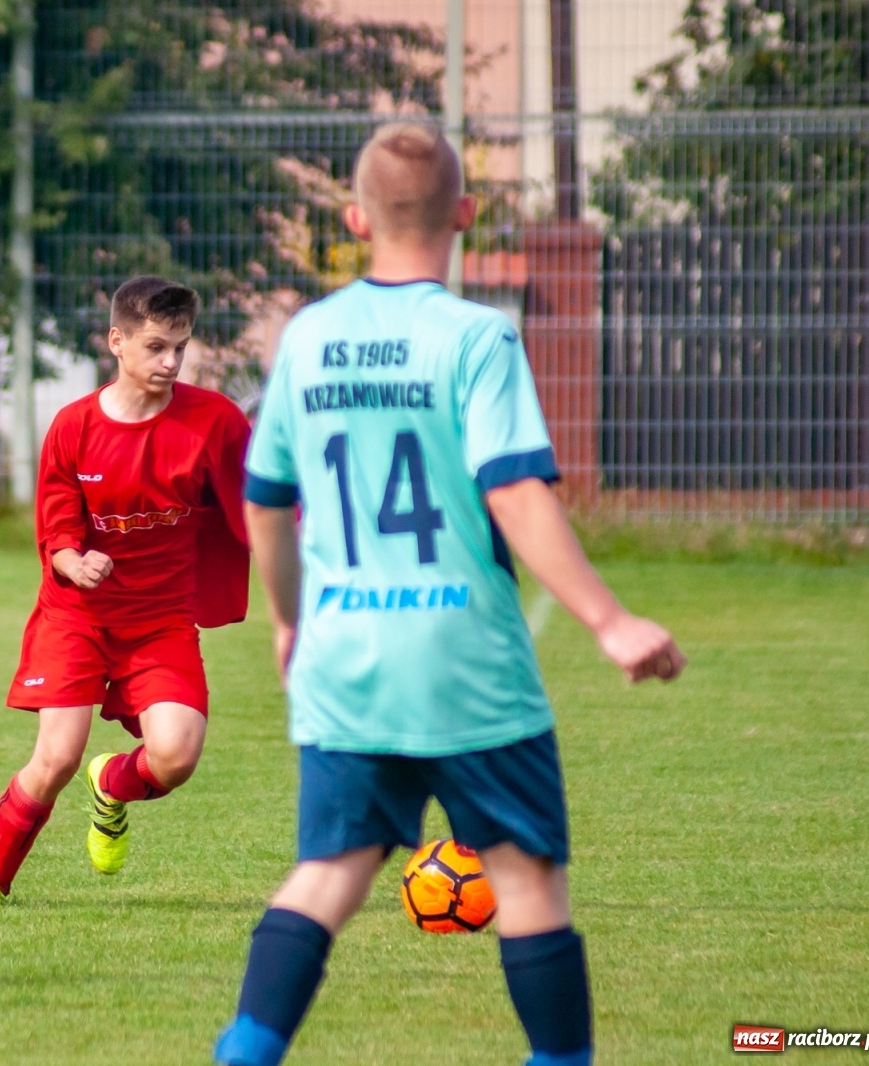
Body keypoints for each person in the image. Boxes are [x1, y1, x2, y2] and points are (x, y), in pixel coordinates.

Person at [212, 124, 687, 1066]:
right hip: (466, 659)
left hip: (345, 657)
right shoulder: (477, 337)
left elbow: (265, 500)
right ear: (466, 216)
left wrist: (288, 620)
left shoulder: (306, 337)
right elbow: (515, 492)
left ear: (354, 219)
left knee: (328, 874)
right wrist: (609, 617)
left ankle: (245, 1054)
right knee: (526, 882)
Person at [0, 276, 251, 910]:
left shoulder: (215, 422)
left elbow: (259, 506)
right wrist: (71, 559)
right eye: (155, 347)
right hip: (78, 617)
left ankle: (113, 786)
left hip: (162, 622)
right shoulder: (74, 426)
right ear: (116, 342)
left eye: (180, 347)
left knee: (174, 756)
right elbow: (56, 524)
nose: (170, 362)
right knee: (57, 756)